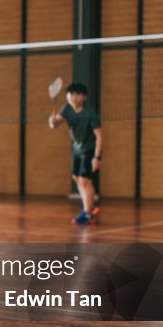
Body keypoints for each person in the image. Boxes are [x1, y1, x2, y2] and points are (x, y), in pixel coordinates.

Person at [48, 82, 103, 225]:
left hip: (89, 149)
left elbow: (99, 136)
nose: (73, 97)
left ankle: (87, 214)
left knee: (85, 180)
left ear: (83, 97)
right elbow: (55, 124)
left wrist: (97, 157)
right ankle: (89, 207)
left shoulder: (90, 113)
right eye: (70, 94)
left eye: (77, 94)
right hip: (77, 148)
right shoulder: (66, 108)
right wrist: (52, 120)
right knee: (76, 178)